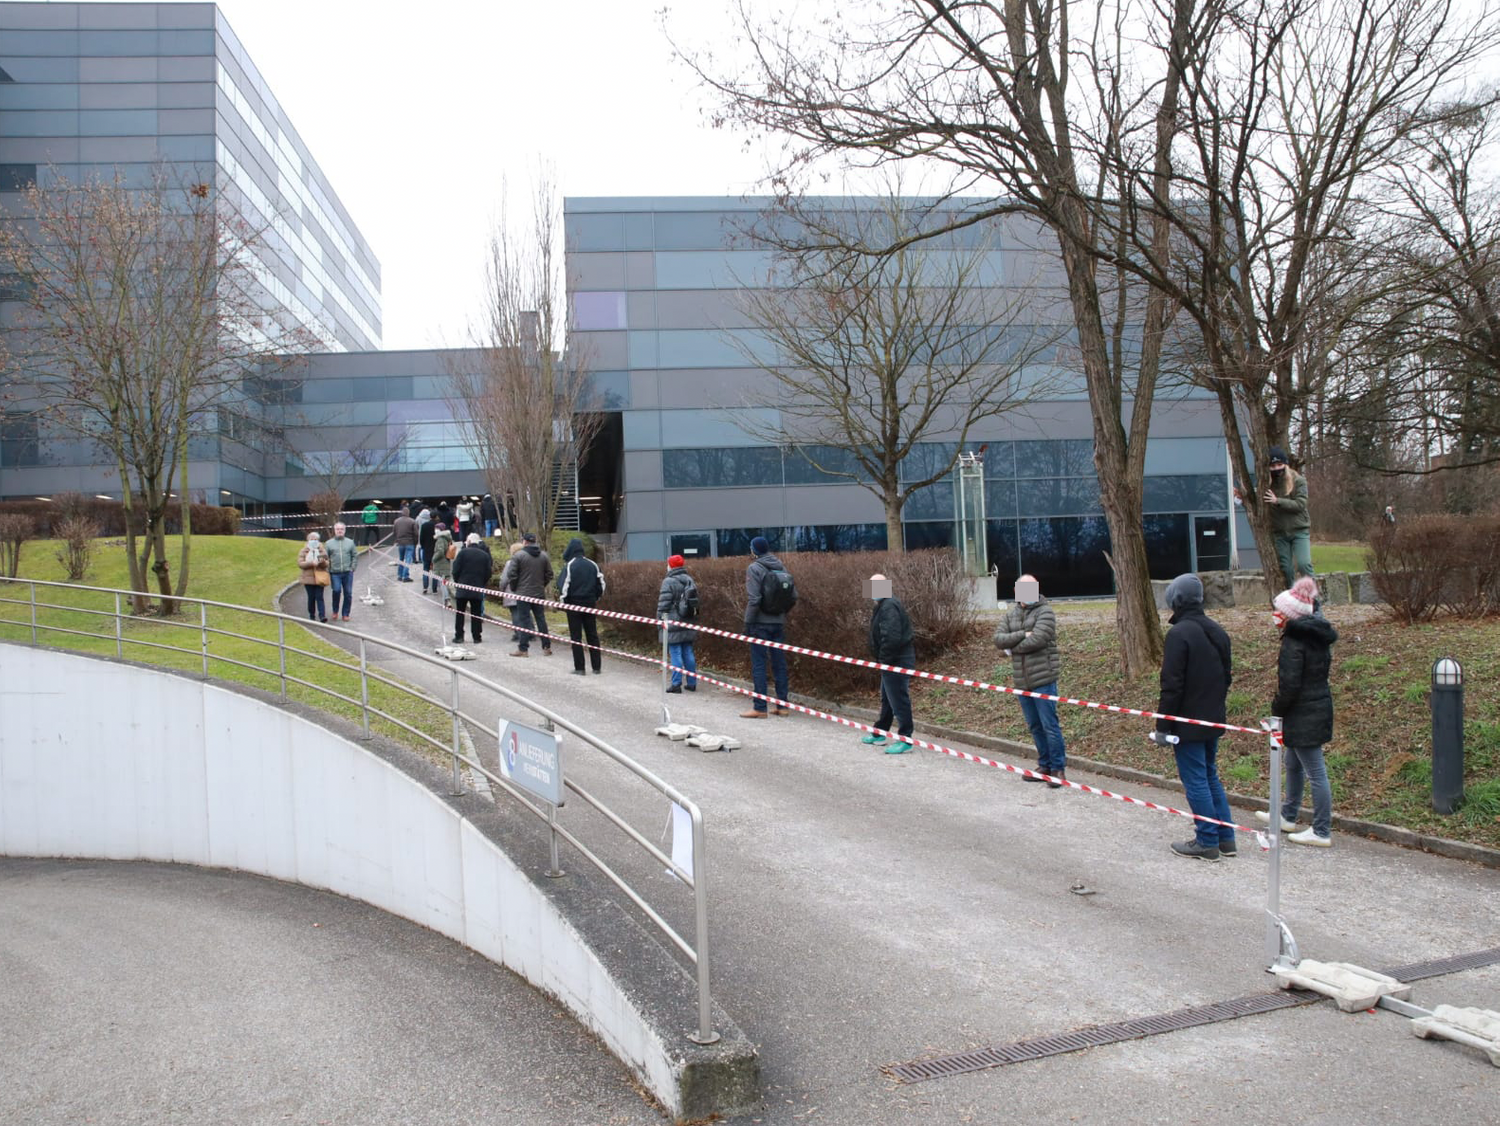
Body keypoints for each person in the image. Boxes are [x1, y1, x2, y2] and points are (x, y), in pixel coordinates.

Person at [1156, 573, 1236, 861]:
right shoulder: (1218, 631)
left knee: (1197, 780)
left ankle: (1206, 839)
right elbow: (1227, 677)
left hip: (1188, 722)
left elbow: (1172, 684)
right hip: (1213, 718)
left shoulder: (1179, 634)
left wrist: (1163, 726)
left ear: (1176, 601)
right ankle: (1226, 838)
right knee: (1210, 775)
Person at [1256, 577, 1338, 847]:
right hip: (1312, 708)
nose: (1274, 616)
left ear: (1290, 616)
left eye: (1279, 611)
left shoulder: (1295, 642)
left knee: (1315, 771)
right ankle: (1287, 815)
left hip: (1303, 713)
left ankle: (1321, 830)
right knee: (1292, 764)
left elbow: (1289, 685)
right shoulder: (1314, 637)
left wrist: (1276, 711)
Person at [992, 574, 1067, 786]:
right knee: (1034, 725)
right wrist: (1023, 634)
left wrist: (1012, 647)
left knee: (1049, 725)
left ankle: (1058, 768)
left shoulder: (1046, 612)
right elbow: (998, 639)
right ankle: (1044, 764)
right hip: (1022, 680)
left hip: (1043, 677)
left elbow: (1038, 639)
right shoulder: (1011, 614)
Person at [862, 573, 916, 753]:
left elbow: (891, 637)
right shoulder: (883, 605)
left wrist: (884, 660)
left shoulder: (889, 606)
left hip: (896, 661)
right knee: (887, 699)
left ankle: (905, 738)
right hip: (890, 661)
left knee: (898, 699)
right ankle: (880, 733)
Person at [741, 536, 792, 718]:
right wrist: (781, 613)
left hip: (760, 624)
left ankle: (759, 707)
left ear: (754, 550)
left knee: (759, 665)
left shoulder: (754, 568)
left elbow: (754, 599)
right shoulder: (781, 566)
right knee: (779, 664)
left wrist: (748, 622)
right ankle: (782, 706)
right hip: (778, 622)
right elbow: (792, 595)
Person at [1262, 446, 1313, 589]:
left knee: (1304, 564)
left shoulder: (1299, 481)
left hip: (1299, 530)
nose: (1276, 468)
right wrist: (1241, 498)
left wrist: (1277, 501)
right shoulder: (1266, 484)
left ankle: (1314, 602)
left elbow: (1301, 504)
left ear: (1286, 464)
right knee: (1287, 570)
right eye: (1272, 466)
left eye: (1279, 465)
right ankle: (1292, 599)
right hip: (1280, 533)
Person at [557, 537, 605, 675]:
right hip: (590, 604)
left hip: (573, 605)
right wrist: (595, 598)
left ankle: (580, 668)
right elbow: (601, 584)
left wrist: (564, 604)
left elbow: (563, 587)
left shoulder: (570, 565)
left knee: (576, 637)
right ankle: (597, 667)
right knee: (592, 635)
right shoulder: (592, 565)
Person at [506, 533, 555, 657]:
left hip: (523, 594)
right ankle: (546, 646)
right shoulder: (544, 556)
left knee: (524, 620)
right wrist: (541, 585)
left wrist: (515, 587)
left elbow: (511, 574)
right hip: (538, 593)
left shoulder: (518, 556)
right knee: (541, 619)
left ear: (525, 542)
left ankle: (523, 648)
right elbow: (549, 574)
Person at [658, 554, 699, 694]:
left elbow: (663, 605)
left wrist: (659, 621)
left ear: (671, 566)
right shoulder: (689, 579)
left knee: (675, 652)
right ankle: (692, 683)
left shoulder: (668, 581)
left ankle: (676, 684)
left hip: (673, 621)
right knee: (688, 651)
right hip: (688, 620)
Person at [450, 533, 493, 644]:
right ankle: (477, 636)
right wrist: (482, 583)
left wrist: (457, 582)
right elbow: (488, 572)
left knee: (460, 613)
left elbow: (455, 570)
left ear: (468, 541)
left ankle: (459, 636)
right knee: (476, 613)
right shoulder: (484, 555)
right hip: (477, 588)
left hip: (463, 587)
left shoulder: (462, 553)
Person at [325, 521, 357, 622]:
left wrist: (353, 567)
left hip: (347, 572)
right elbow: (325, 558)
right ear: (334, 530)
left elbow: (354, 556)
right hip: (335, 573)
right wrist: (327, 569)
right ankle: (335, 611)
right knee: (336, 591)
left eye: (342, 529)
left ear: (344, 530)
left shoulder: (350, 542)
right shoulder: (329, 543)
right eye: (338, 529)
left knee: (348, 593)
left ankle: (345, 614)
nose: (340, 531)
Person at [297, 532, 330, 622]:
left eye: (315, 539)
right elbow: (300, 563)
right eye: (311, 539)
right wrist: (311, 563)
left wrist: (321, 562)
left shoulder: (322, 550)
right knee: (311, 597)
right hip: (308, 578)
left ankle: (322, 615)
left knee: (319, 597)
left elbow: (327, 563)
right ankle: (312, 615)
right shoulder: (304, 551)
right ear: (308, 540)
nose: (313, 541)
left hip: (320, 577)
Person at [431, 521, 455, 608]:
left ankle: (447, 599)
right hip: (446, 563)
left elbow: (440, 551)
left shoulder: (440, 539)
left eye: (436, 528)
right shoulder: (447, 538)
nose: (435, 530)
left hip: (441, 564)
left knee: (443, 583)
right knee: (445, 582)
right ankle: (447, 599)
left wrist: (433, 559)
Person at [392, 507, 417, 582]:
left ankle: (400, 575)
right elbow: (416, 533)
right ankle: (405, 576)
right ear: (408, 513)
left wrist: (397, 539)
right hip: (410, 542)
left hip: (400, 543)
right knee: (408, 559)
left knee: (401, 559)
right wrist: (415, 542)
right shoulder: (412, 521)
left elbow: (394, 532)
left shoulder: (396, 521)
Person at [418, 507, 436, 594]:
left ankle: (425, 587)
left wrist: (423, 546)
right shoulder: (438, 526)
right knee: (435, 571)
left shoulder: (424, 526)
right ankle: (434, 589)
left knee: (425, 569)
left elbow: (421, 538)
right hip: (436, 551)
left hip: (426, 550)